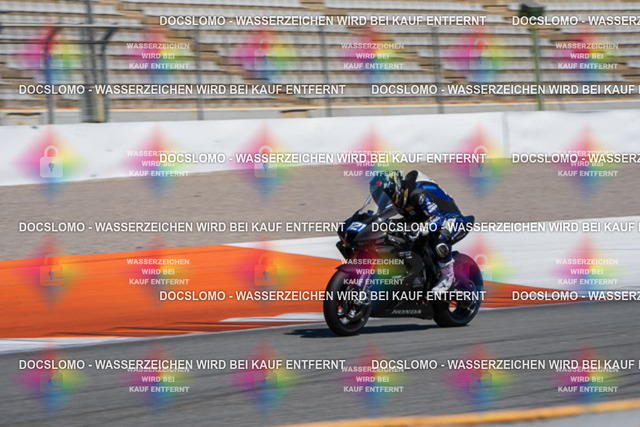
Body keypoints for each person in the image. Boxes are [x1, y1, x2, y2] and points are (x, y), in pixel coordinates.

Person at [368, 170, 472, 295]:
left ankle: (447, 277)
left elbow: (437, 218)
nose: (382, 200)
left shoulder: (417, 194)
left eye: (384, 195)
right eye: (378, 196)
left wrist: (422, 228)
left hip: (450, 219)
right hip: (423, 220)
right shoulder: (398, 199)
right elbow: (405, 219)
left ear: (395, 189)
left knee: (439, 238)